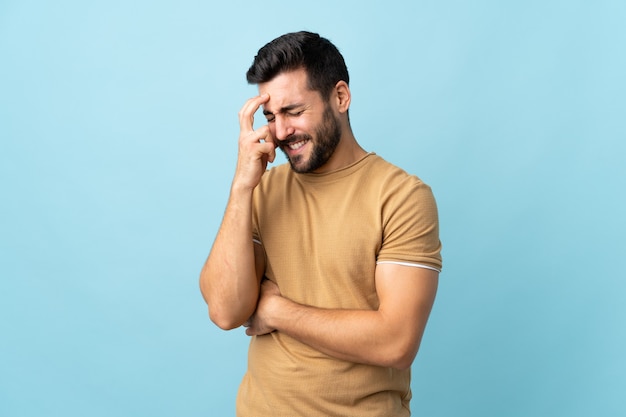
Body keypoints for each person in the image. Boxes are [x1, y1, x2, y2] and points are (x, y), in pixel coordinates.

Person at [199, 31, 442, 417]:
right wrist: (242, 186)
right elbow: (227, 311)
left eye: (294, 112)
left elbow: (395, 342)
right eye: (269, 117)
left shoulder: (401, 197)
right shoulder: (263, 189)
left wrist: (276, 312)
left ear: (340, 97)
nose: (280, 132)